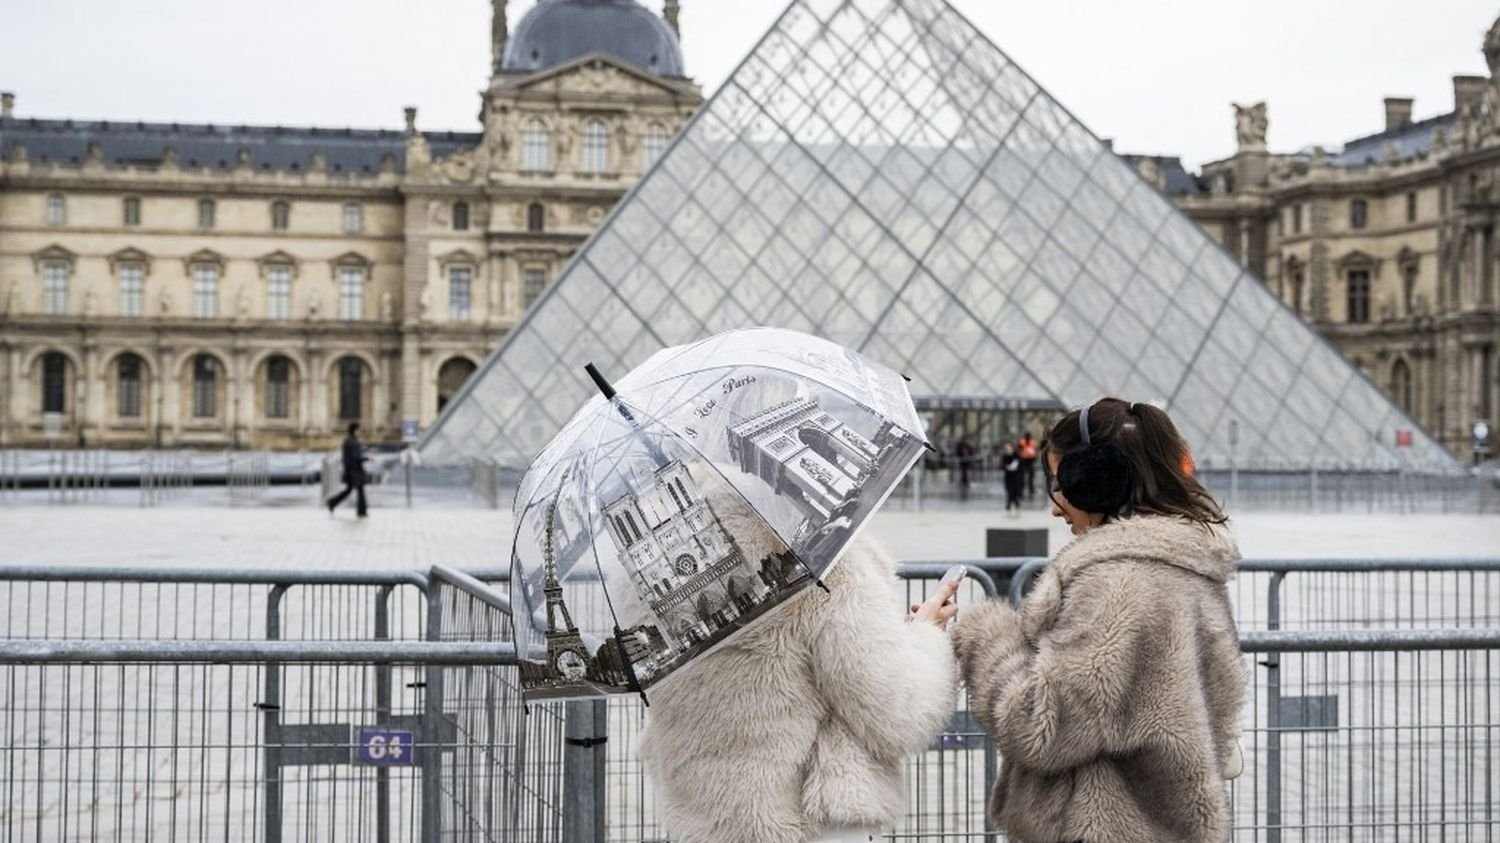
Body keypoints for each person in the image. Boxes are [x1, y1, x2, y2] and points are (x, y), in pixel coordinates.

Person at [950, 398, 1244, 843]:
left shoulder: (1118, 583)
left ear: (1099, 479)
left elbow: (1040, 728)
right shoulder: (1187, 565)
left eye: (1060, 482)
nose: (1054, 506)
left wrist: (981, 633)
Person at [637, 488, 960, 843]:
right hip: (806, 820)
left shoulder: (651, 562)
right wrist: (926, 634)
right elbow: (898, 711)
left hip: (704, 813)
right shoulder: (820, 555)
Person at [326, 422, 368, 517]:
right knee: (358, 490)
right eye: (359, 430)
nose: (360, 432)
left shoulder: (349, 440)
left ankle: (332, 503)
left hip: (351, 470)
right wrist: (367, 458)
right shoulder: (352, 442)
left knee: (350, 490)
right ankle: (362, 511)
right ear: (354, 431)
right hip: (354, 471)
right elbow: (355, 457)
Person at [1001, 441, 1023, 515]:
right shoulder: (1005, 456)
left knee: (1013, 491)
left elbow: (1020, 465)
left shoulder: (1016, 455)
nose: (1008, 449)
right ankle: (1015, 504)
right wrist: (1007, 467)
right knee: (1009, 490)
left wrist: (1014, 468)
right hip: (1008, 476)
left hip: (1015, 476)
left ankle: (1009, 505)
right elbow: (1002, 466)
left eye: (1009, 447)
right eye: (1007, 448)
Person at [1016, 431, 1038, 499]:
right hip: (1024, 461)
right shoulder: (1022, 442)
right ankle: (1022, 491)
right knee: (1022, 478)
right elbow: (1019, 450)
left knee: (1030, 478)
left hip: (1030, 461)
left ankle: (1030, 491)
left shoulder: (1032, 442)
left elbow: (1036, 451)